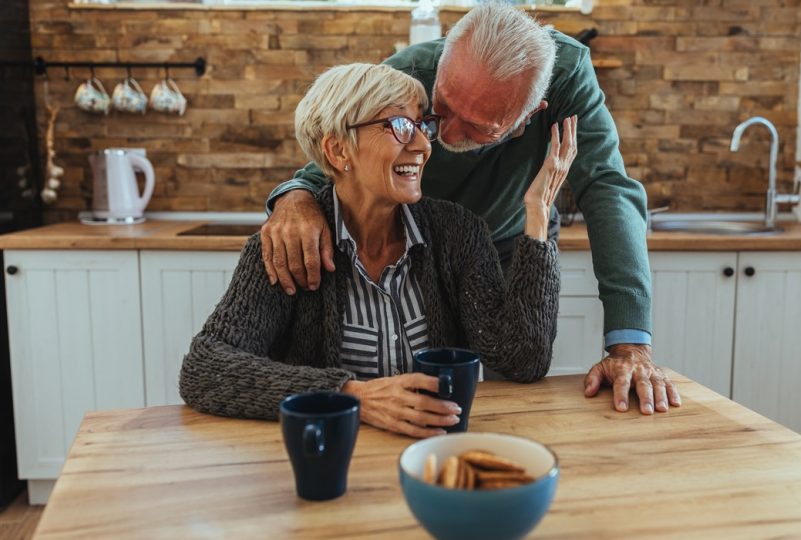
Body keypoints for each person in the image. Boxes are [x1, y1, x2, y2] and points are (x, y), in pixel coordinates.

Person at [261, 3, 681, 414]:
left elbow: (607, 187)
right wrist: (295, 196)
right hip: (425, 244)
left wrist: (629, 344)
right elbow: (335, 153)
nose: (440, 135)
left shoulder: (567, 77)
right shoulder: (409, 73)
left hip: (511, 240)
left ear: (529, 116)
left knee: (512, 385)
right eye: (440, 108)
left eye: (481, 126)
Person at [180, 63, 574, 437]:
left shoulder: (457, 233)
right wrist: (353, 396)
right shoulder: (289, 246)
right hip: (332, 457)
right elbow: (205, 368)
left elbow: (522, 359)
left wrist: (537, 215)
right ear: (338, 151)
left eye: (423, 126)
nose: (422, 145)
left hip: (434, 452)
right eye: (401, 126)